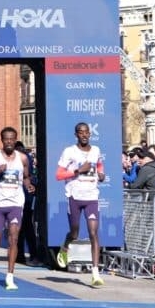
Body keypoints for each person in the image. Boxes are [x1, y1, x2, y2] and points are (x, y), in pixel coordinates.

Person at [0, 127, 34, 291]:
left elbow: (26, 176)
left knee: (13, 239)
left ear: (16, 140)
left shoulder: (23, 158)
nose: (9, 142)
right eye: (6, 139)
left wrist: (29, 185)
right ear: (2, 140)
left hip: (16, 203)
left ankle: (10, 276)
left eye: (12, 139)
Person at [55, 122, 106, 286]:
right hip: (74, 196)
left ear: (90, 134)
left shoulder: (96, 150)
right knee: (75, 233)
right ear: (76, 134)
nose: (84, 135)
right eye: (81, 132)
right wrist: (78, 171)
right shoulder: (69, 151)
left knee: (93, 232)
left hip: (92, 196)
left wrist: (101, 173)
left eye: (86, 132)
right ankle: (65, 246)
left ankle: (95, 273)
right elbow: (58, 175)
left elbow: (99, 165)